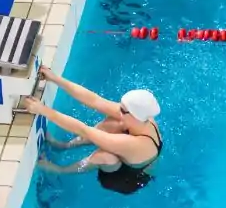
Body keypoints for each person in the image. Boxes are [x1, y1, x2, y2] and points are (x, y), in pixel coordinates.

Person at [23, 66, 162, 194]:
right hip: (132, 154)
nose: (119, 110)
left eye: (123, 110)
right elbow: (96, 101)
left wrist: (43, 110)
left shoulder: (132, 144)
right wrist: (55, 78)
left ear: (134, 116)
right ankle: (65, 146)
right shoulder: (142, 118)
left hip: (129, 178)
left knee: (105, 155)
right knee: (113, 123)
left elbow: (83, 129)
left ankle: (60, 171)